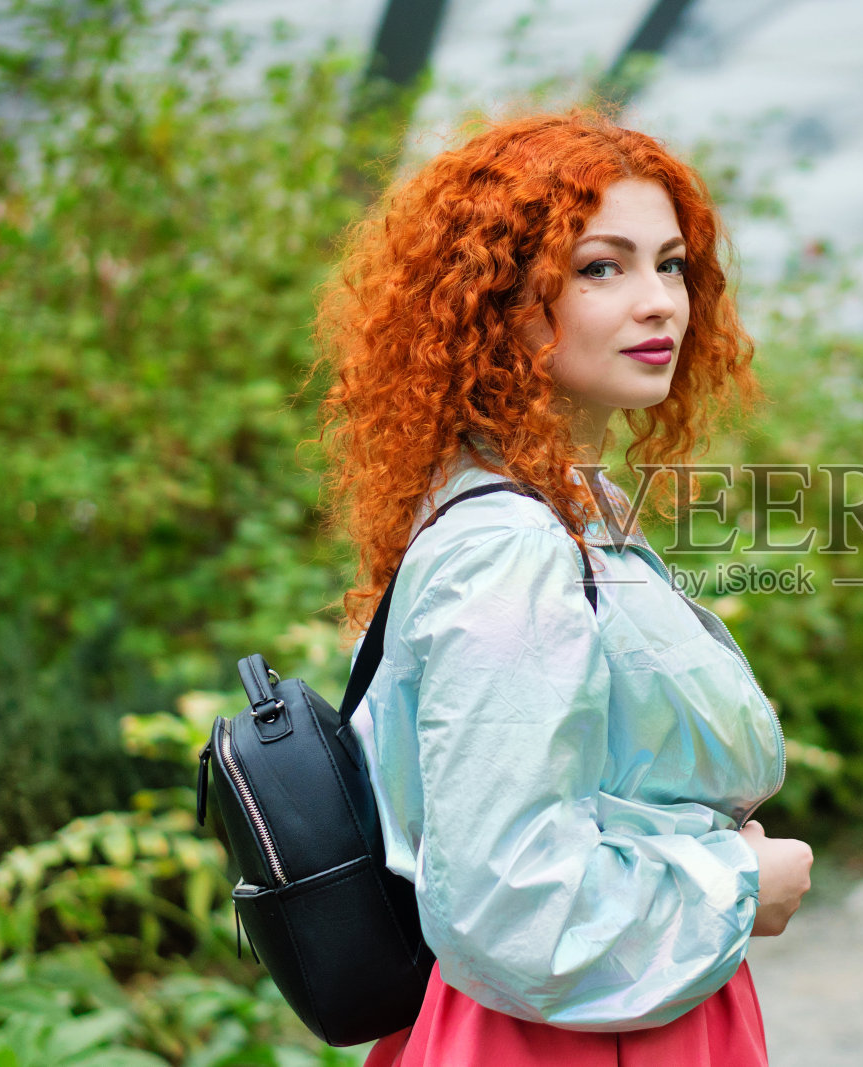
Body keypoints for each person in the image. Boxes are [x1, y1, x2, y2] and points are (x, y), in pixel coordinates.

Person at [312, 109, 814, 1066]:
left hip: (623, 1006)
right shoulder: (509, 544)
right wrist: (739, 878)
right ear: (498, 297)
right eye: (600, 267)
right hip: (561, 1035)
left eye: (671, 264)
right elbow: (510, 901)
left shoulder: (564, 507)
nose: (661, 301)